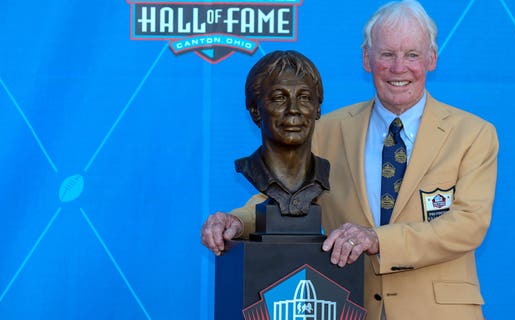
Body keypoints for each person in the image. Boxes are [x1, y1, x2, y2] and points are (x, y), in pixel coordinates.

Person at [201, 0, 498, 319]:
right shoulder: (328, 129)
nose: (399, 67)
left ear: (432, 58)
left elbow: (468, 225)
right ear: (366, 59)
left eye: (411, 54)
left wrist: (377, 240)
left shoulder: (473, 134)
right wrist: (237, 221)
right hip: (353, 308)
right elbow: (284, 197)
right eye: (387, 54)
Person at [234, 50, 329, 217]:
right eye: (279, 98)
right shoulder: (250, 168)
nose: (293, 110)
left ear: (317, 109)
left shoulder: (326, 172)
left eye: (304, 97)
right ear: (255, 111)